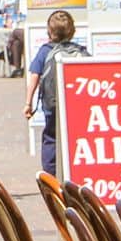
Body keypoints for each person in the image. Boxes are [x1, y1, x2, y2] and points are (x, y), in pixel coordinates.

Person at [25, 10, 85, 172]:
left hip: (52, 104)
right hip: (77, 105)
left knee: (51, 137)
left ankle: (50, 175)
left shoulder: (45, 51)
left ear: (49, 32)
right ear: (72, 31)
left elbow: (34, 76)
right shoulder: (81, 51)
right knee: (77, 135)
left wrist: (28, 103)